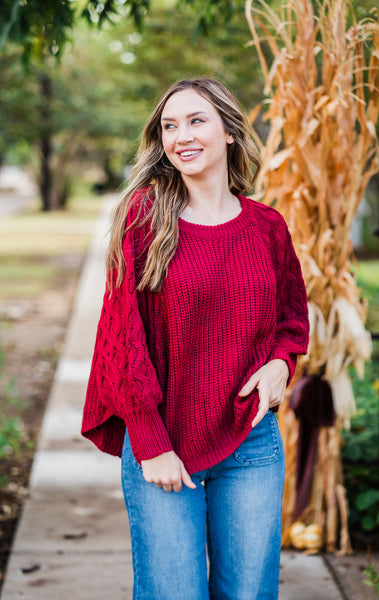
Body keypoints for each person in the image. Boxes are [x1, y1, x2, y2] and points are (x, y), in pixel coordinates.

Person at [81, 76, 309, 600]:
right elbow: (121, 338)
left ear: (229, 132)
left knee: (248, 594)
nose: (181, 135)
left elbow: (291, 321)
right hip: (164, 445)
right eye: (169, 125)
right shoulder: (144, 219)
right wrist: (151, 441)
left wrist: (281, 366)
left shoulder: (267, 227)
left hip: (252, 442)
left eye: (196, 120)